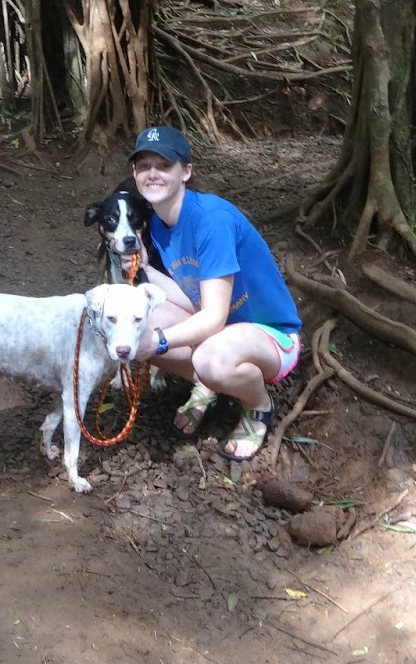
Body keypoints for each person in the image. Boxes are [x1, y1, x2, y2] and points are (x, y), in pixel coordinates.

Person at [128, 125, 302, 461]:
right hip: (223, 333)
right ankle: (209, 386)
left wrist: (160, 341)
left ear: (186, 172)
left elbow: (212, 316)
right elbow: (193, 297)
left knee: (209, 359)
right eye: (144, 166)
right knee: (139, 320)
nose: (152, 174)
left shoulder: (210, 219)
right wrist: (144, 270)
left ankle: (257, 406)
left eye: (164, 166)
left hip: (272, 338)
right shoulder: (160, 223)